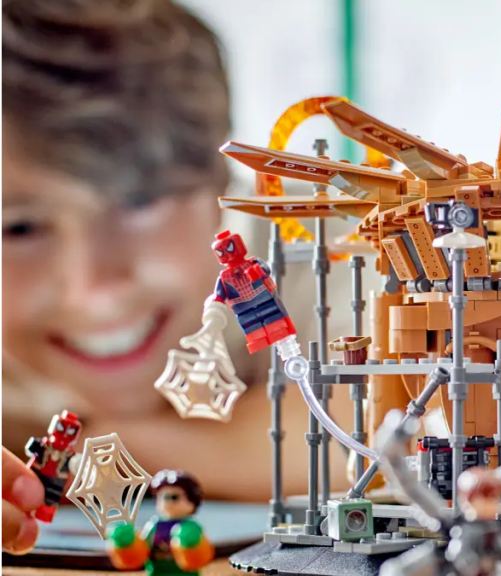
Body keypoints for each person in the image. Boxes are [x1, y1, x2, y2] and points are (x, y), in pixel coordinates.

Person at [0, 0, 356, 540]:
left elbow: (406, 422)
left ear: (222, 181)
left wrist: (120, 448)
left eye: (140, 202)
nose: (95, 292)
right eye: (20, 227)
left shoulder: (327, 243)